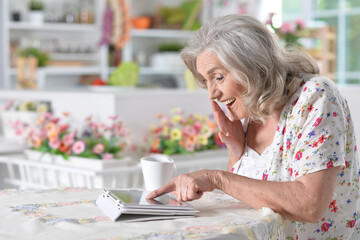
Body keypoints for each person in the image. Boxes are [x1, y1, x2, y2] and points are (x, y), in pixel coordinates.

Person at [147, 14, 360, 239]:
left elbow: (309, 205)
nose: (211, 93)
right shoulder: (252, 107)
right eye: (206, 81)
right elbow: (246, 197)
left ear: (254, 66)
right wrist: (236, 152)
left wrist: (216, 178)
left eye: (218, 77)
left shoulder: (315, 95)